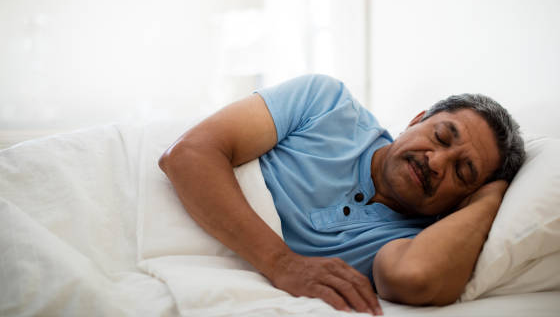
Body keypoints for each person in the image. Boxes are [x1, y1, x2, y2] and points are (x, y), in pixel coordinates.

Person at [158, 74, 525, 315]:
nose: (436, 162)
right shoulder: (326, 103)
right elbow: (189, 155)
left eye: (462, 172)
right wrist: (282, 263)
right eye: (442, 137)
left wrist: (491, 199)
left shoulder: (418, 239)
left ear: (465, 199)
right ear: (416, 120)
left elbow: (414, 277)